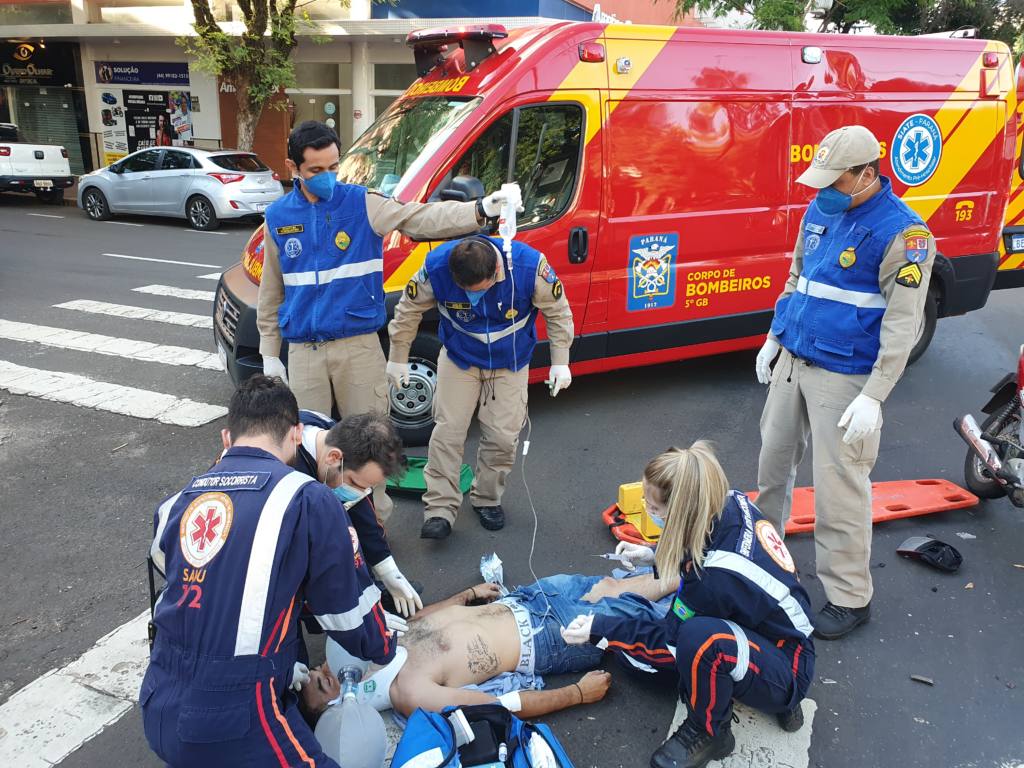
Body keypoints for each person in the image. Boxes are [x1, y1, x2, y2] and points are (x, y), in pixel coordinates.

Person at [257, 120, 522, 524]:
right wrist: (269, 352)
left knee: (370, 444)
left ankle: (375, 528)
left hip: (357, 346)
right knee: (310, 451)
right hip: (305, 352)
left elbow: (419, 218)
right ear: (293, 168)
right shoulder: (278, 216)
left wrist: (479, 210)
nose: (328, 177)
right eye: (316, 170)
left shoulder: (361, 203)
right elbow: (272, 290)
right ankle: (324, 528)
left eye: (333, 167)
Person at [140, 375, 401, 768]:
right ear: (296, 434)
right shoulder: (308, 499)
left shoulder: (177, 503)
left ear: (228, 438)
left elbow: (182, 584)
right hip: (232, 713)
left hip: (158, 702)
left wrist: (281, 663)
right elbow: (348, 614)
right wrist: (386, 644)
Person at [753, 125, 936, 640]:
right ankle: (764, 562)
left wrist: (875, 396)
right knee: (771, 469)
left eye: (836, 182)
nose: (824, 192)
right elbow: (796, 278)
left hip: (846, 374)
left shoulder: (905, 235)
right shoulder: (820, 211)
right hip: (795, 358)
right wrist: (774, 336)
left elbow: (903, 326)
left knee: (840, 488)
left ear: (867, 175)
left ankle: (849, 596)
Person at [561, 442, 815, 768]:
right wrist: (657, 553)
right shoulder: (728, 500)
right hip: (782, 632)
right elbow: (704, 543)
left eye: (654, 508)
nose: (647, 510)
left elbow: (668, 642)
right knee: (688, 639)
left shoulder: (712, 578)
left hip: (789, 665)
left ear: (680, 509)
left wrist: (601, 629)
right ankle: (765, 685)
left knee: (694, 641)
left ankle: (711, 731)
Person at [297, 571, 681, 723]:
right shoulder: (409, 693)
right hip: (550, 636)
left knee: (622, 585)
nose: (318, 671)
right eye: (318, 684)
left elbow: (417, 621)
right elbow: (502, 706)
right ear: (341, 707)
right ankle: (713, 602)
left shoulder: (374, 647)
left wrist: (465, 595)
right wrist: (577, 694)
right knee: (652, 621)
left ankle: (696, 573)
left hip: (529, 598)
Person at [387, 234, 574, 538]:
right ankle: (439, 509)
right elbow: (408, 310)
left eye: (480, 290)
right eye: (465, 291)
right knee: (447, 432)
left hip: (509, 360)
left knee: (502, 436)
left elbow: (558, 310)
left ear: (495, 271)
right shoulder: (436, 267)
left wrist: (560, 360)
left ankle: (487, 498)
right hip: (459, 356)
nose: (473, 297)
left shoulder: (528, 266)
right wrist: (397, 358)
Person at [291, 409, 422, 616]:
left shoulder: (337, 437)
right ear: (334, 458)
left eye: (367, 487)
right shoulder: (286, 468)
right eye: (354, 483)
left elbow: (364, 516)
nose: (359, 494)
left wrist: (387, 569)